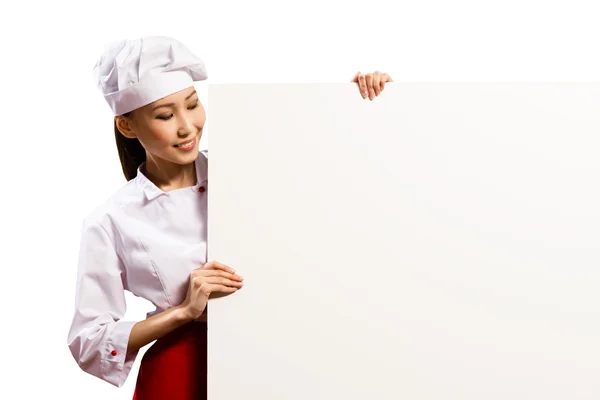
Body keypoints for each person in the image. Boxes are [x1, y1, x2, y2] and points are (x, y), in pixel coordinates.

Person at [66, 36, 393, 400]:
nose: (187, 126)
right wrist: (184, 311)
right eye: (165, 115)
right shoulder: (111, 220)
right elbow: (88, 341)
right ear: (127, 126)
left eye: (192, 105)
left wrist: (357, 104)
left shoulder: (250, 166)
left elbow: (332, 181)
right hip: (180, 372)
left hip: (281, 356)